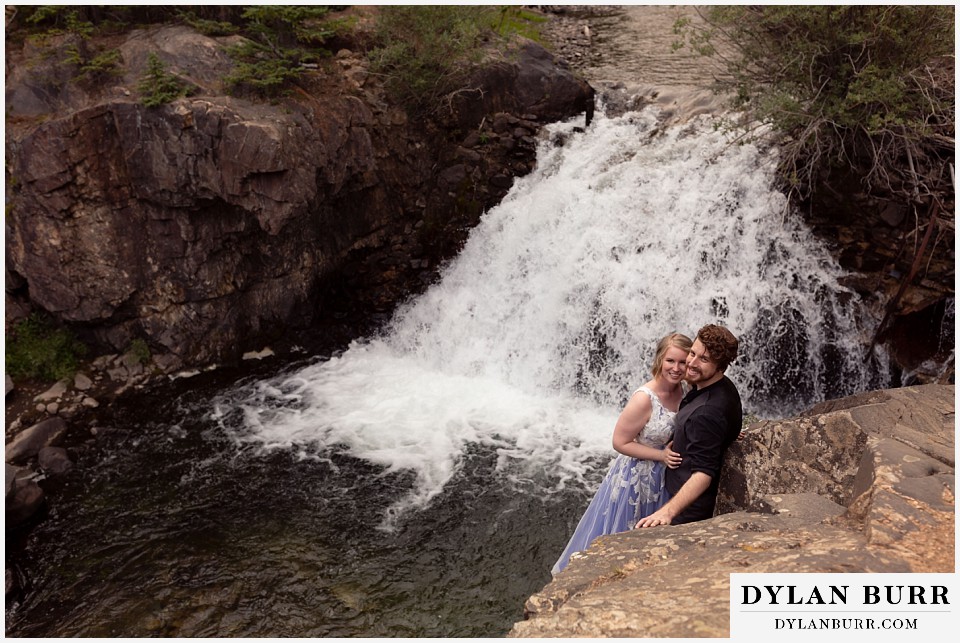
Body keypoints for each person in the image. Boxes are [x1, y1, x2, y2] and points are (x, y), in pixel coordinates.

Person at [552, 332, 692, 575]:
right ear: (660, 359)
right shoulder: (644, 399)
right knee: (625, 536)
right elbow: (620, 442)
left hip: (668, 476)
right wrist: (661, 456)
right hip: (637, 478)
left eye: (682, 362)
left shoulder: (687, 391)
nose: (676, 368)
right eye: (670, 361)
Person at [635, 324, 742, 528]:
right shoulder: (722, 386)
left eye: (704, 359)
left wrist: (668, 512)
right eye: (693, 353)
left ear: (720, 367)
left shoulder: (705, 413)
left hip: (686, 510)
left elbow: (704, 473)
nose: (690, 363)